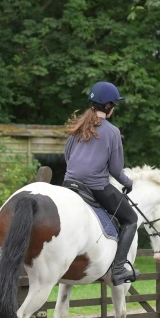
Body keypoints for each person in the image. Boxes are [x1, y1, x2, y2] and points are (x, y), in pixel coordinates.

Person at [63, 81, 140, 286]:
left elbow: (67, 156)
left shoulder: (79, 128)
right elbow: (115, 170)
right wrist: (128, 182)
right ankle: (118, 269)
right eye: (114, 104)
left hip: (69, 184)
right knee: (131, 219)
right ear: (108, 106)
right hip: (95, 187)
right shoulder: (112, 131)